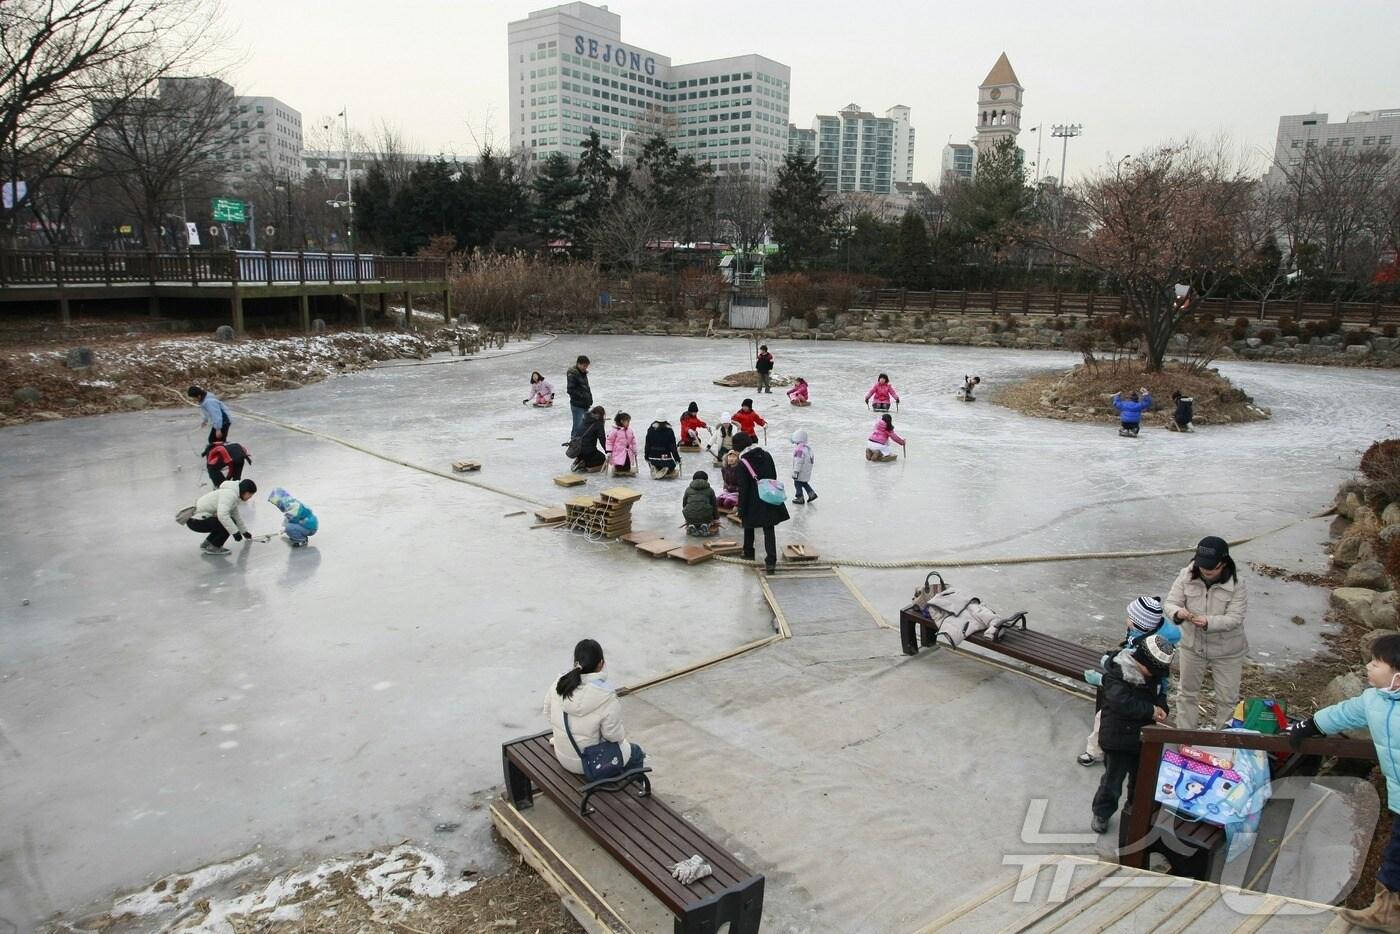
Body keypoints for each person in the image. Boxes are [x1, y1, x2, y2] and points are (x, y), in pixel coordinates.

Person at [1286, 633, 1400, 930]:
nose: (1368, 666)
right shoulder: (1374, 700)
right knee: (1395, 858)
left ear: (1398, 677)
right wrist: (1310, 725)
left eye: (1376, 663)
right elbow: (1345, 713)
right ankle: (1387, 912)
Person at [1078, 597, 1181, 767]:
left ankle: (1096, 752)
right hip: (1138, 694)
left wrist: (1102, 677)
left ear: (1141, 624)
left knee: (1103, 718)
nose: (1127, 620)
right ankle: (1124, 756)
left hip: (1136, 695)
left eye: (1130, 618)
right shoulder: (1144, 635)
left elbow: (1123, 676)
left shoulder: (1149, 647)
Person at [1090, 634, 1174, 835]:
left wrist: (1162, 706)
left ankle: (1134, 811)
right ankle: (1102, 812)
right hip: (1117, 738)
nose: (1154, 675)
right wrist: (1151, 710)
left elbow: (1160, 693)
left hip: (1142, 738)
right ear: (1141, 662)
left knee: (1141, 779)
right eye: (1153, 671)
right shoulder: (1117, 674)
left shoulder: (1152, 676)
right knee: (1112, 782)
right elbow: (1122, 703)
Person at [1166, 536, 1248, 729]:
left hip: (1228, 650)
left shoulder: (1237, 584)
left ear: (1224, 562)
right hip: (1192, 646)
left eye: (1212, 567)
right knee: (1186, 694)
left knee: (1227, 700)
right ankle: (1185, 737)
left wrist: (1208, 622)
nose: (1206, 571)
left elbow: (1235, 618)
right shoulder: (1186, 575)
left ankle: (1224, 740)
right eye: (1202, 566)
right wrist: (1178, 612)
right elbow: (1170, 603)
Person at [544, 638, 644, 776]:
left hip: (564, 757)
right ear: (601, 663)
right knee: (636, 753)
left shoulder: (559, 684)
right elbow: (613, 736)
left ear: (575, 661)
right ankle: (633, 789)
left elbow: (547, 713)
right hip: (592, 764)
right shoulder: (606, 696)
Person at [733, 431, 789, 574]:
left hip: (752, 500)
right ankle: (771, 561)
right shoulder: (767, 455)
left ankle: (748, 552)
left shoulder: (743, 463)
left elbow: (743, 488)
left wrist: (741, 508)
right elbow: (773, 476)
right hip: (768, 497)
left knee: (748, 525)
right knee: (769, 529)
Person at [186, 478, 257, 556]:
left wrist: (244, 532)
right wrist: (235, 532)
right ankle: (214, 547)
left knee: (225, 522)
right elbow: (222, 515)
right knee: (227, 522)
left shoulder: (233, 496)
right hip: (196, 521)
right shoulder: (230, 495)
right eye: (250, 494)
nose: (250, 497)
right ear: (245, 491)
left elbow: (236, 516)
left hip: (196, 519)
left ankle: (207, 544)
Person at [644, 410, 681, 479]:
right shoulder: (669, 431)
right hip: (665, 458)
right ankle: (666, 469)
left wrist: (646, 456)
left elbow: (647, 445)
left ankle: (655, 467)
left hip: (653, 458)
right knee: (672, 465)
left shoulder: (651, 429)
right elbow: (673, 447)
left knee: (654, 463)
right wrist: (677, 459)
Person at [683, 470, 720, 536]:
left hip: (690, 516)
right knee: (708, 518)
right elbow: (714, 505)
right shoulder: (710, 490)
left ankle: (691, 525)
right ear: (706, 480)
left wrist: (687, 518)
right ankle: (705, 525)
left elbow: (684, 504)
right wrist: (716, 518)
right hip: (706, 517)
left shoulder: (688, 489)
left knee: (692, 516)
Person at [570, 405, 607, 472]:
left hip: (577, 450)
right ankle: (586, 467)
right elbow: (602, 439)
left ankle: (580, 460)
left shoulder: (585, 419)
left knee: (587, 453)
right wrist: (607, 450)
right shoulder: (598, 424)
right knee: (602, 459)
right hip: (588, 451)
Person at [566, 355, 592, 438]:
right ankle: (574, 443)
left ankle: (582, 443)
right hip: (577, 405)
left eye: (587, 366)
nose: (585, 368)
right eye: (584, 366)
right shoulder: (572, 374)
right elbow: (570, 390)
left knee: (585, 426)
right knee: (578, 426)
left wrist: (589, 399)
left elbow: (586, 388)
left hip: (585, 404)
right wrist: (583, 396)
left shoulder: (583, 373)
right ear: (578, 364)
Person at [791, 429, 817, 504]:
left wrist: (796, 471)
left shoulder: (799, 450)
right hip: (806, 471)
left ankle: (800, 497)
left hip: (800, 472)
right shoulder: (807, 448)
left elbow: (798, 462)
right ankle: (812, 494)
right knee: (804, 483)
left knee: (797, 483)